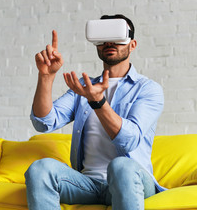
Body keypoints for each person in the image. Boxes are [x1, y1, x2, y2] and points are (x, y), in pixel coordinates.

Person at [25, 14, 165, 210]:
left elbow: (129, 140)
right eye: (103, 38)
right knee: (40, 169)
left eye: (116, 37)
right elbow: (43, 122)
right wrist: (46, 76)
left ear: (132, 44)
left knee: (120, 166)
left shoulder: (148, 89)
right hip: (87, 184)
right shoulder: (84, 86)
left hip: (131, 181)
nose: (109, 43)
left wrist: (98, 102)